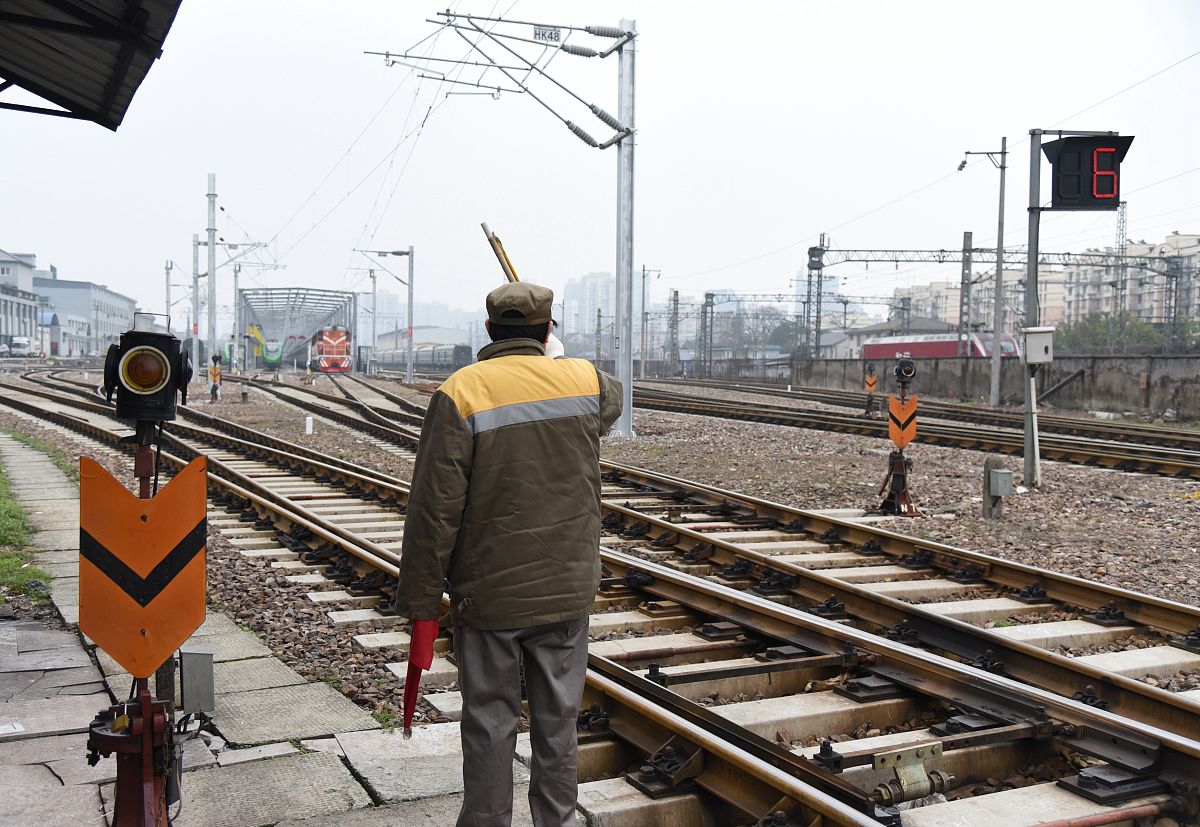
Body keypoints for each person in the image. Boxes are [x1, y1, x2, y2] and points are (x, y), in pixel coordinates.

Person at [397, 282, 621, 827]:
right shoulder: (585, 380)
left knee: (491, 722)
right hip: (566, 593)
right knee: (558, 720)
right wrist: (559, 356)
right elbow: (612, 399)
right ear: (547, 331)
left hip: (491, 596)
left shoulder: (461, 392)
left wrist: (423, 600)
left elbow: (433, 511)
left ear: (490, 330)